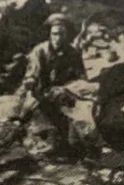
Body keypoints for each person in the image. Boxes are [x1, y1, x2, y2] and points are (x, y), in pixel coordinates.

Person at [18, 13, 89, 153]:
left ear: (67, 35)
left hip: (65, 94)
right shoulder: (40, 51)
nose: (57, 38)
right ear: (50, 34)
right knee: (28, 115)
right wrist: (30, 81)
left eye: (61, 34)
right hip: (41, 93)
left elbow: (81, 77)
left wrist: (76, 88)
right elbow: (33, 72)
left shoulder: (73, 53)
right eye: (55, 34)